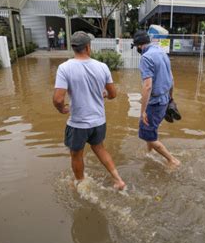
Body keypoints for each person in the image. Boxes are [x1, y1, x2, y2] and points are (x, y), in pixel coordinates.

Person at [53, 31, 126, 190]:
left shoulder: (64, 68)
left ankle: (80, 182)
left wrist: (62, 109)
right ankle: (118, 180)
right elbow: (113, 94)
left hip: (78, 123)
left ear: (73, 47)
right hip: (99, 121)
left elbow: (58, 99)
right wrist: (104, 94)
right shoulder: (102, 67)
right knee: (99, 148)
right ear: (88, 47)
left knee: (76, 155)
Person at [132, 30, 180, 167]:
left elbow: (147, 86)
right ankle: (149, 153)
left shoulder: (146, 58)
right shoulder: (161, 52)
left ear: (139, 46)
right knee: (151, 131)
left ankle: (172, 160)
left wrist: (142, 111)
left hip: (154, 103)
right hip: (164, 99)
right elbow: (172, 79)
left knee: (147, 134)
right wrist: (171, 98)